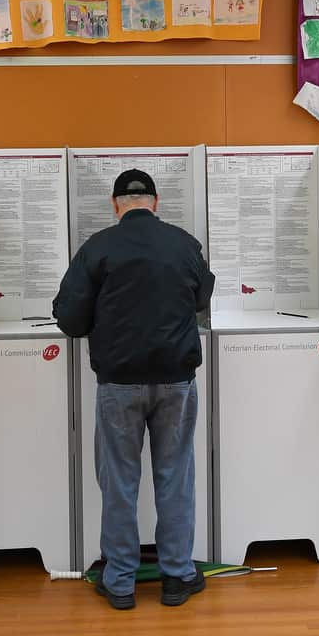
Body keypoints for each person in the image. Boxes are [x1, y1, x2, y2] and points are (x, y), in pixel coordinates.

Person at [53, 169, 215, 610]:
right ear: (156, 202)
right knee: (175, 477)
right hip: (177, 380)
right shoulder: (184, 244)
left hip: (119, 384)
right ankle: (178, 576)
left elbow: (68, 318)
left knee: (120, 483)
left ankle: (121, 582)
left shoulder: (98, 248)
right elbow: (202, 298)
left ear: (115, 203)